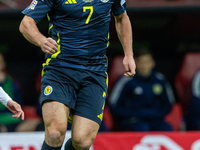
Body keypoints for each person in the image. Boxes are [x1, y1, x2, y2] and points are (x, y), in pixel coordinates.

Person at [19, 0, 136, 149]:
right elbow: (26, 23)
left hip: (95, 72)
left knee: (83, 141)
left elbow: (121, 17)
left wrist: (128, 54)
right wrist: (41, 40)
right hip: (60, 69)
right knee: (55, 133)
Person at [109, 48, 175, 131]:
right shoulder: (126, 81)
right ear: (135, 63)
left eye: (147, 62)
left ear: (152, 63)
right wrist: (133, 114)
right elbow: (114, 106)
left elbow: (169, 105)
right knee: (142, 128)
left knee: (167, 128)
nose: (144, 66)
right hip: (133, 120)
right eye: (141, 63)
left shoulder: (160, 80)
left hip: (155, 119)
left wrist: (154, 114)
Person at [0, 53, 24, 132]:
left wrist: (8, 102)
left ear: (3, 64)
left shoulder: (11, 82)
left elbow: (18, 103)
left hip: (12, 119)